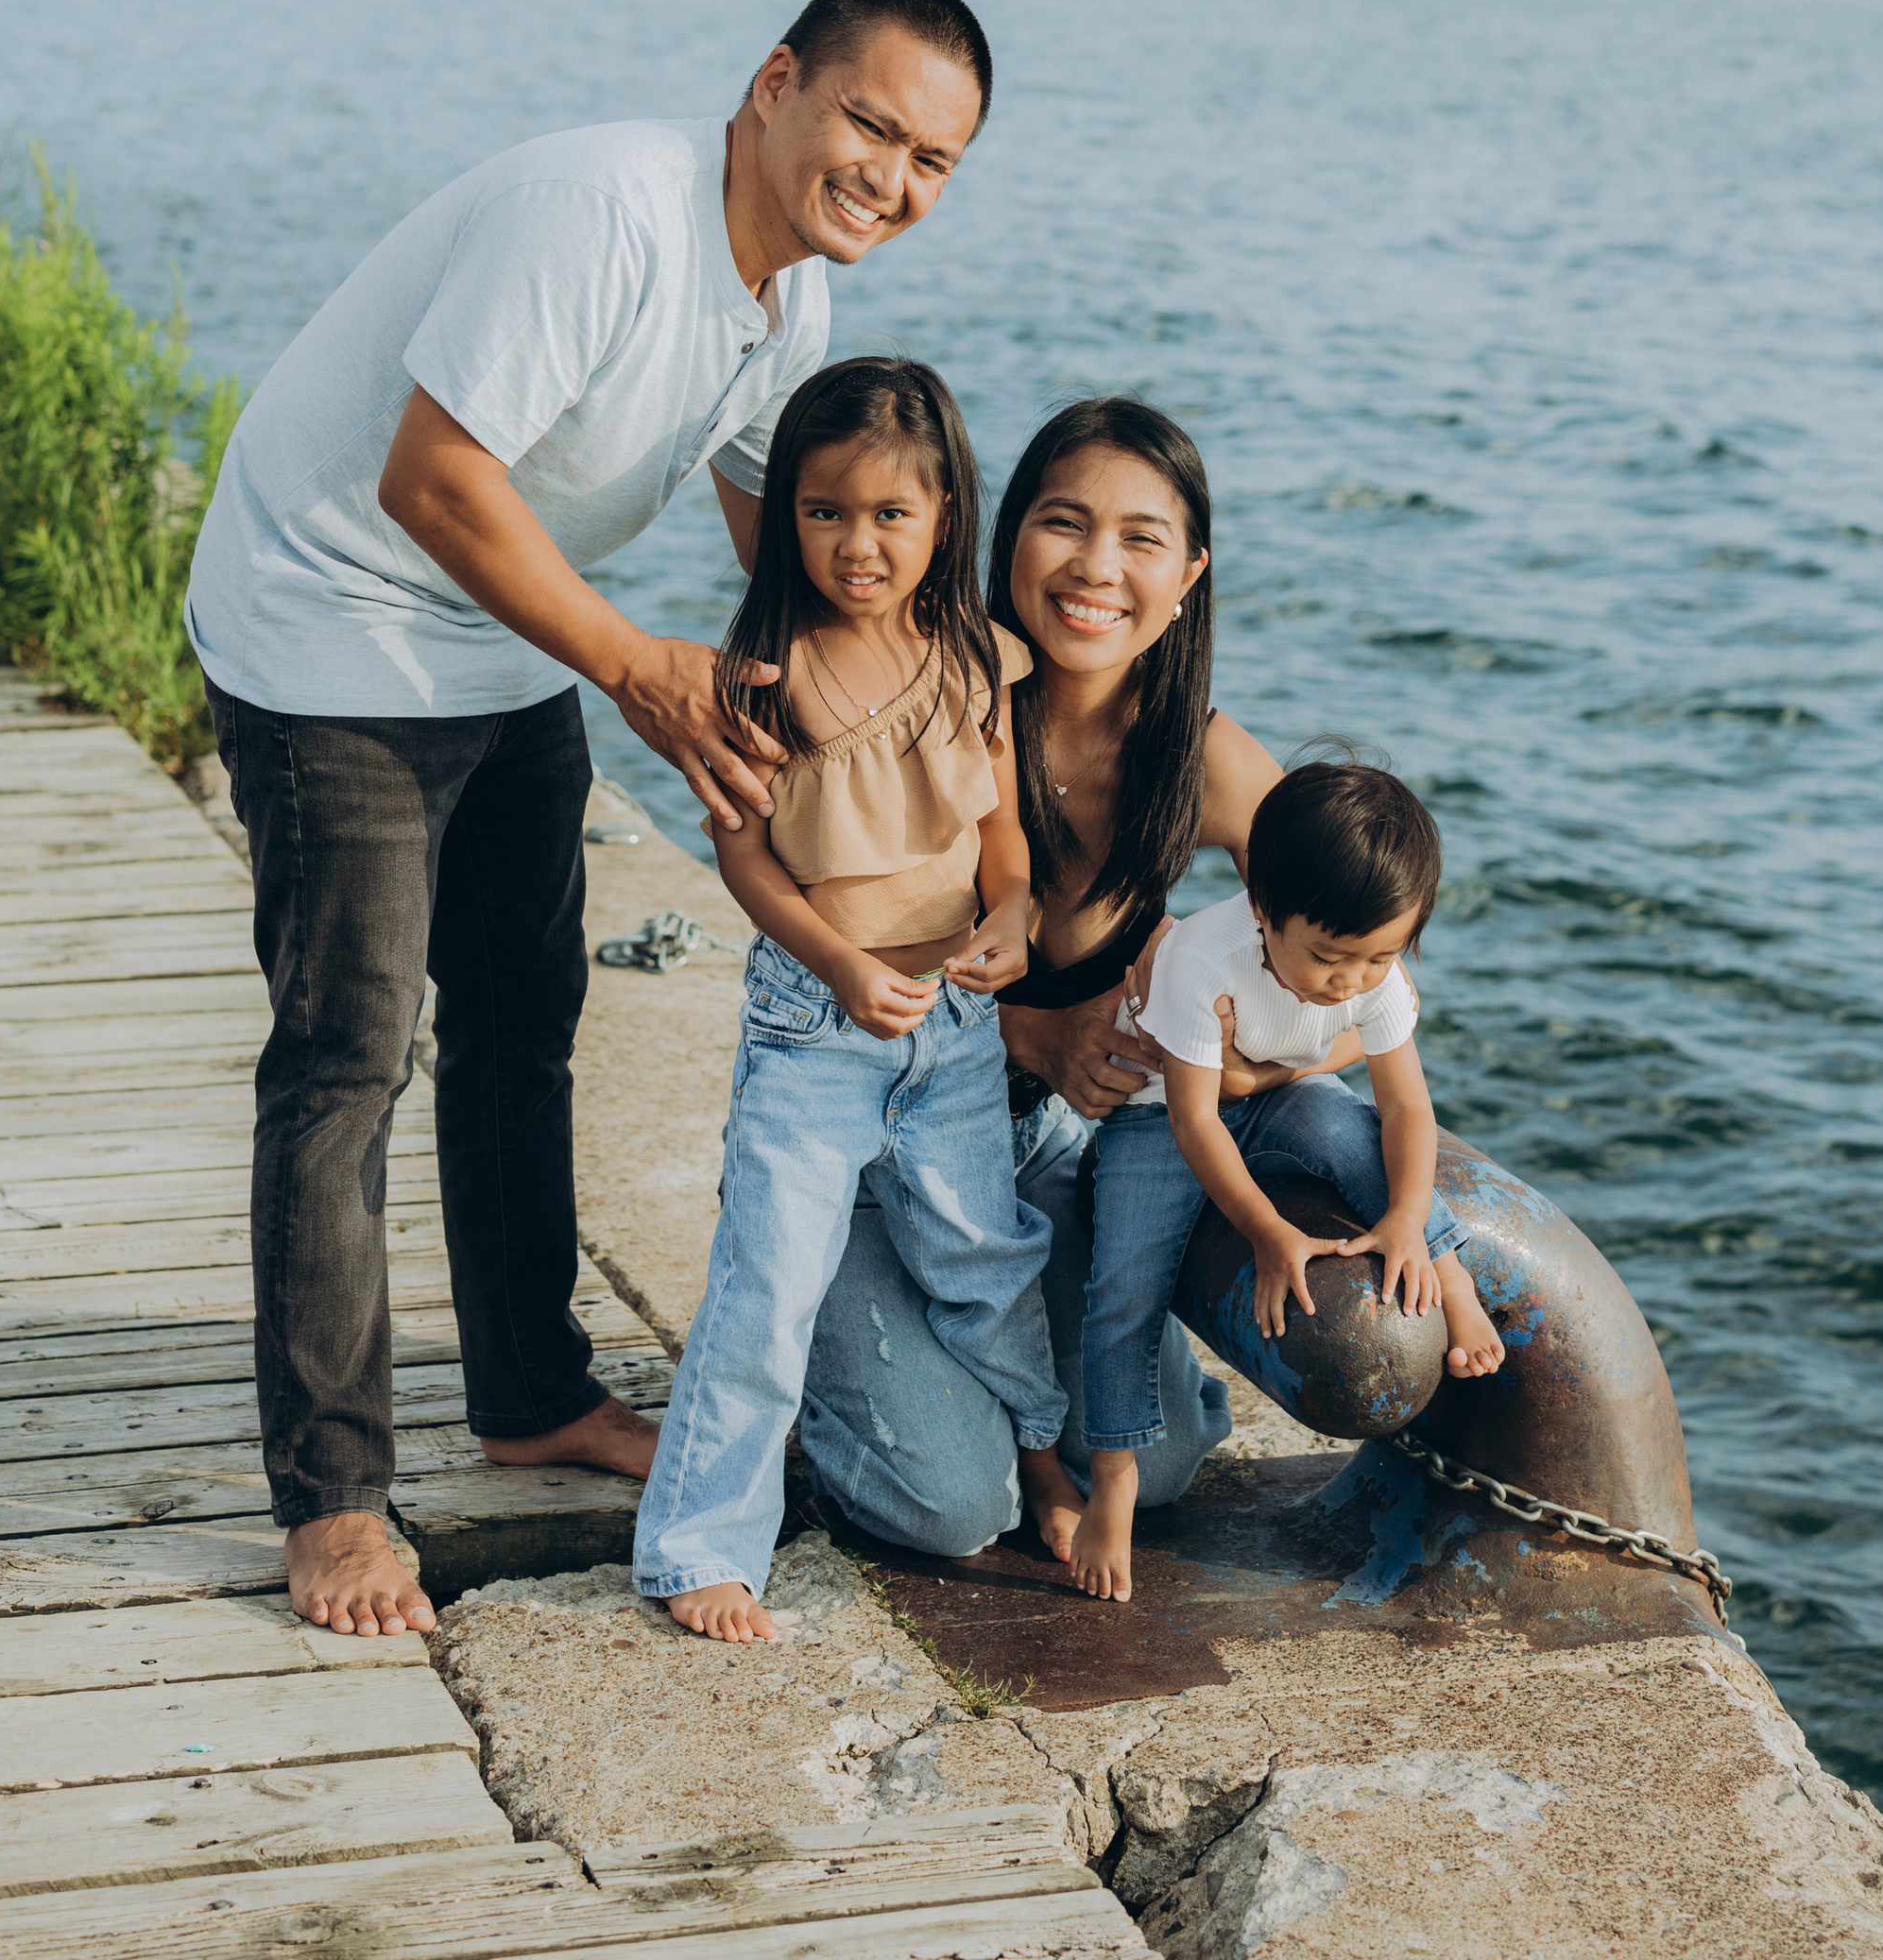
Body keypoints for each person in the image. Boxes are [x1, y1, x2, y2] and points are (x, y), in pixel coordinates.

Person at [182, 0, 993, 1639]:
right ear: (777, 82)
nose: (892, 179)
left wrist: (934, 719)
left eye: (933, 162)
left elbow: (793, 548)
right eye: (870, 123)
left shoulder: (794, 310)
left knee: (525, 1015)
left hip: (495, 630)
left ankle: (532, 1392)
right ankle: (331, 1501)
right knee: (347, 1056)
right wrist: (637, 666)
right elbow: (430, 477)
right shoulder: (605, 215)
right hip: (329, 614)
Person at [801, 394, 1337, 1559]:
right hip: (869, 1146)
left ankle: (1001, 1382)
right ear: (1005, 543)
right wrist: (1038, 1040)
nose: (1097, 568)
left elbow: (1362, 973)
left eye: (1141, 539)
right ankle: (819, 1354)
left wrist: (1235, 1065)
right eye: (1063, 523)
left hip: (1046, 1158)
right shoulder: (919, 705)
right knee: (954, 1509)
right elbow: (818, 974)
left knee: (1161, 1468)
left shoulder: (1203, 757)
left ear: (1188, 573)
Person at [630, 357, 1075, 1640]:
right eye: (825, 513)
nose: (858, 544)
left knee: (981, 1257)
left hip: (954, 1021)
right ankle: (703, 1545)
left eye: (892, 514)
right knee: (766, 1279)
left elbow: (1000, 844)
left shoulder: (974, 659)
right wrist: (835, 962)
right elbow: (745, 859)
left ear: (945, 514)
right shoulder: (764, 671)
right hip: (816, 1022)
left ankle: (1040, 1443)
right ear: (786, 519)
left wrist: (1010, 919)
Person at [1069, 756, 1503, 1600]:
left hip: (1282, 1092)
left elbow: (1407, 1108)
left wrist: (1408, 1217)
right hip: (1162, 1111)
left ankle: (1449, 1272)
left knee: (1351, 1134)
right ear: (1264, 911)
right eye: (1332, 958)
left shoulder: (1372, 968)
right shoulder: (1203, 960)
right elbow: (1196, 1121)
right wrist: (1270, 1232)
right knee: (1123, 1280)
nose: (1353, 981)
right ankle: (1115, 1478)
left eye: (1380, 959)